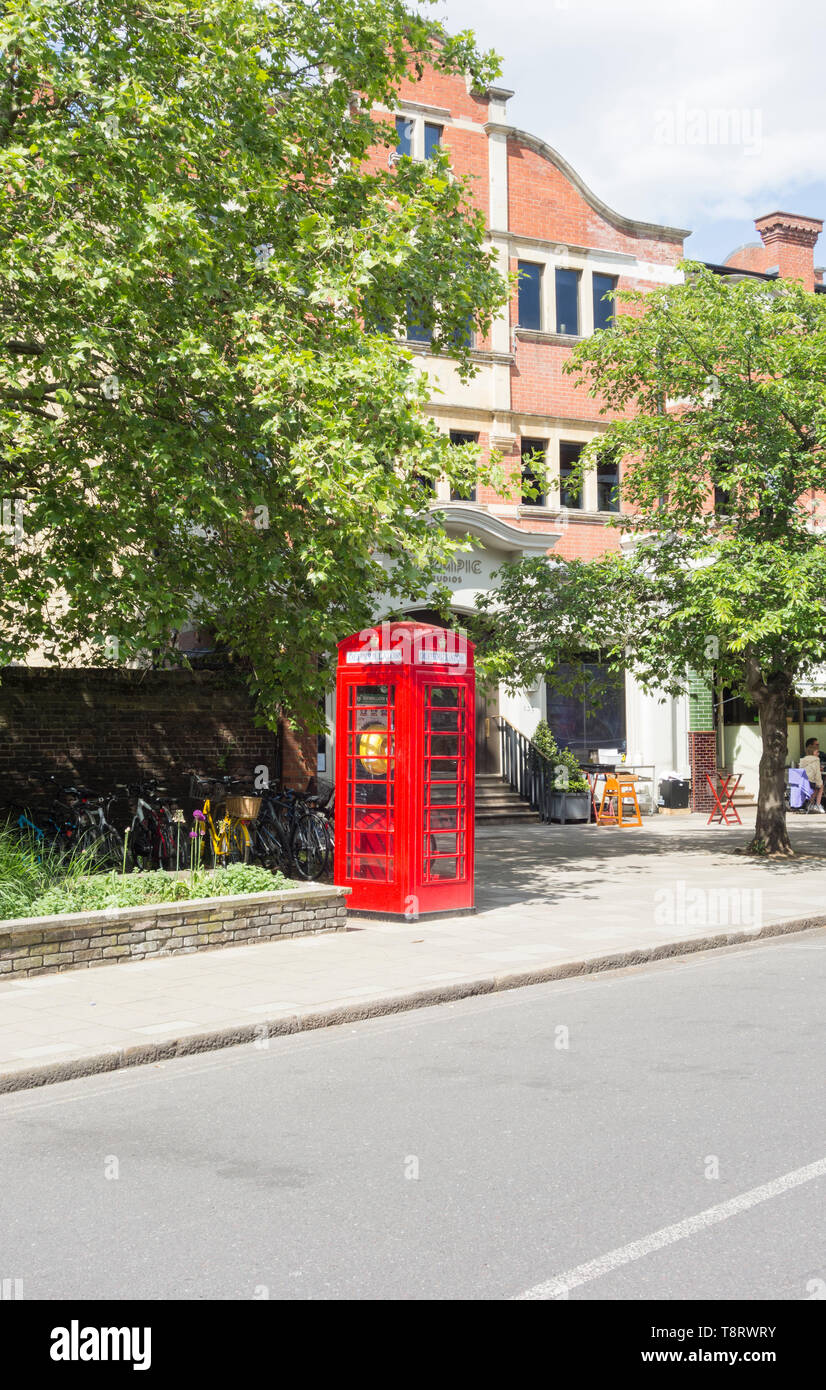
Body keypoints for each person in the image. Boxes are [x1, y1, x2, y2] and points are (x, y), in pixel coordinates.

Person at [799, 737, 825, 812]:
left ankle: (811, 804)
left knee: (815, 789)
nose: (819, 753)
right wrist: (819, 783)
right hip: (812, 781)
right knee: (820, 786)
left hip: (803, 782)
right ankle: (817, 805)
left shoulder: (803, 759)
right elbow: (817, 775)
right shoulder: (816, 759)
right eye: (816, 745)